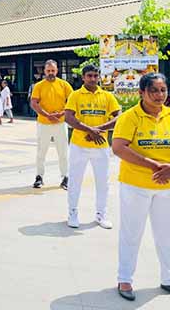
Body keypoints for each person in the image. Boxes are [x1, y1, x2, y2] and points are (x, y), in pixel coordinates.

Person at [112, 73, 170, 301]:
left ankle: (167, 278)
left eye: (163, 90)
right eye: (154, 90)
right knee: (131, 233)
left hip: (166, 186)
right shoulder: (130, 117)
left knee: (166, 234)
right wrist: (153, 165)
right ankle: (124, 279)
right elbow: (118, 148)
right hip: (135, 185)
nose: (159, 95)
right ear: (141, 93)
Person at [64, 65, 121, 229]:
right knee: (75, 180)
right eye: (89, 76)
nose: (93, 79)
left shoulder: (107, 96)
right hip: (78, 146)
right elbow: (69, 117)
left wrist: (98, 130)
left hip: (101, 146)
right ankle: (72, 212)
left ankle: (101, 214)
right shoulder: (75, 95)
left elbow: (118, 117)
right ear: (83, 77)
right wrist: (89, 130)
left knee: (103, 182)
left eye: (96, 76)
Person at [31, 59, 73, 190]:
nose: (50, 73)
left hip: (60, 123)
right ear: (44, 71)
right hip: (44, 123)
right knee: (41, 151)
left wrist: (61, 113)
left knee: (63, 151)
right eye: (48, 71)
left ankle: (65, 177)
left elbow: (72, 101)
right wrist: (47, 115)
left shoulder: (64, 85)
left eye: (53, 70)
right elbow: (34, 103)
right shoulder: (39, 86)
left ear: (57, 71)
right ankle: (39, 176)